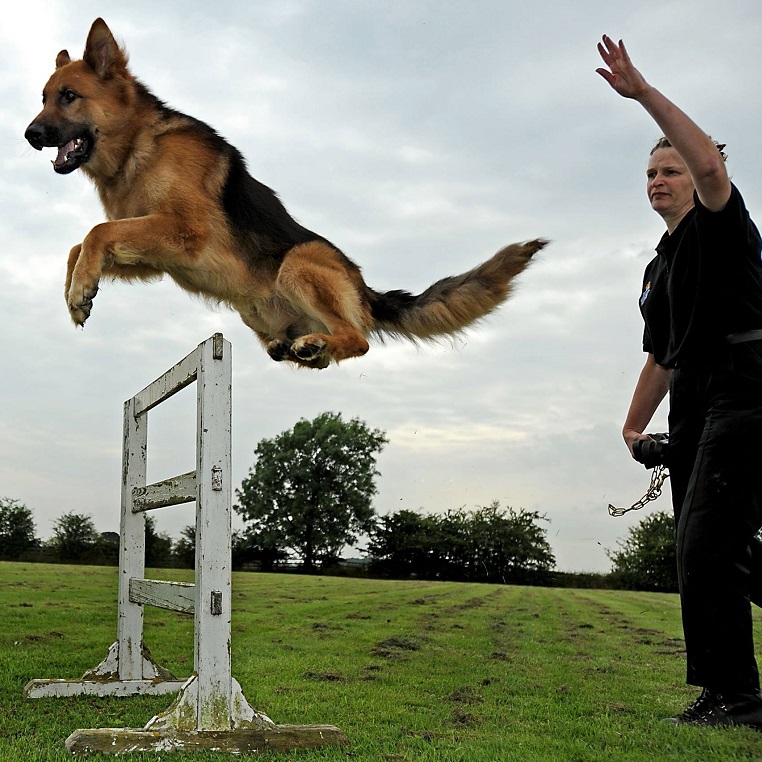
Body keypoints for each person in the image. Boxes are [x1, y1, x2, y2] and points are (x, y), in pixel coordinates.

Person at [597, 35, 762, 729]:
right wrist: (634, 426)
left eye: (671, 168)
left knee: (707, 545)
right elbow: (661, 356)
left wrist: (646, 98)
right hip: (696, 400)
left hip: (748, 389)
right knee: (711, 552)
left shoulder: (719, 227)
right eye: (650, 173)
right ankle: (720, 688)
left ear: (699, 176)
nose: (658, 179)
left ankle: (741, 699)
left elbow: (708, 163)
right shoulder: (658, 267)